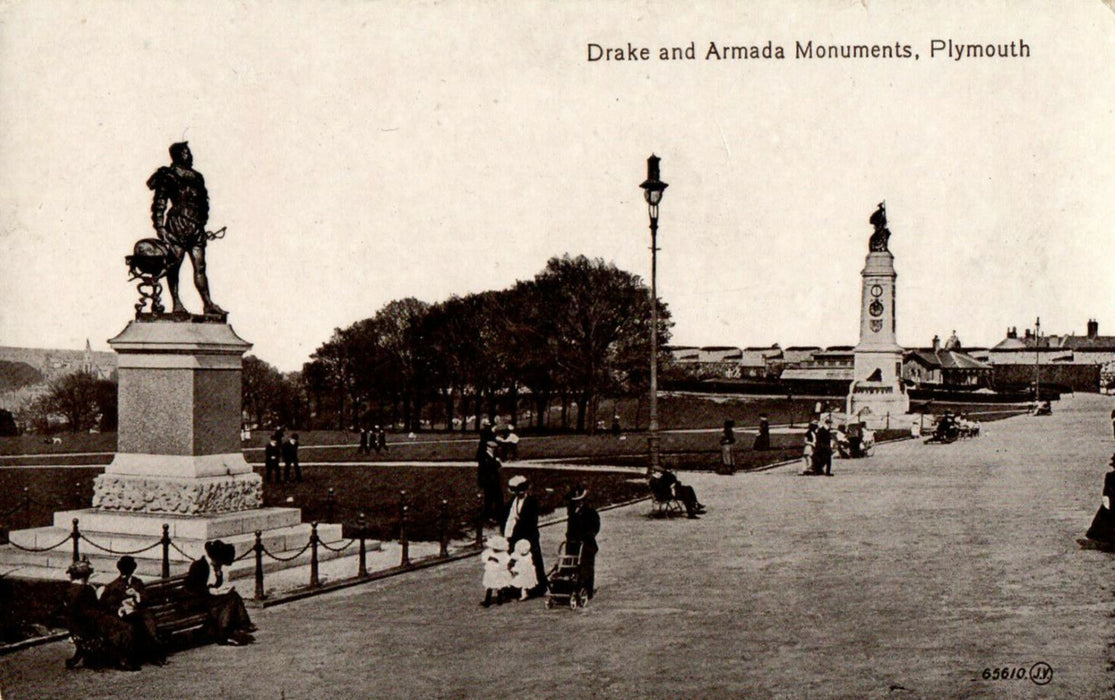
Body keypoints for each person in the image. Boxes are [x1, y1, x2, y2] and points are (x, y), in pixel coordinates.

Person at [146, 142, 224, 316]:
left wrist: (202, 225)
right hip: (177, 225)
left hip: (196, 227)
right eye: (185, 152)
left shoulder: (198, 177)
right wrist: (160, 227)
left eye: (189, 152)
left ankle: (207, 303)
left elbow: (203, 204)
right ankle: (177, 303)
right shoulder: (168, 175)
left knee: (200, 266)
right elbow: (159, 203)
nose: (190, 155)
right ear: (177, 155)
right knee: (174, 265)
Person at [64, 559, 140, 671]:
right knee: (125, 627)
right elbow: (94, 608)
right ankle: (122, 660)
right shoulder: (85, 589)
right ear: (85, 576)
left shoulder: (70, 589)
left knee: (119, 624)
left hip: (78, 625)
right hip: (91, 623)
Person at [184, 541, 255, 646]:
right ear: (214, 558)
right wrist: (211, 591)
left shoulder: (215, 567)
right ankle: (230, 629)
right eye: (220, 562)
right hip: (197, 600)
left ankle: (233, 628)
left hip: (208, 598)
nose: (220, 565)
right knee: (231, 600)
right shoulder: (199, 566)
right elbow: (193, 589)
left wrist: (219, 578)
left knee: (232, 596)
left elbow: (215, 584)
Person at [99, 556, 166, 666]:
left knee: (148, 622)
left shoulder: (137, 582)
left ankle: (155, 655)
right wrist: (119, 609)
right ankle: (140, 657)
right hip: (125, 615)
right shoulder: (113, 586)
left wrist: (136, 594)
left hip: (139, 611)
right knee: (135, 625)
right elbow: (105, 604)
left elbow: (146, 598)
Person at [503, 475, 547, 597]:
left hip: (529, 535)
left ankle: (538, 586)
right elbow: (510, 518)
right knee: (517, 561)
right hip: (516, 536)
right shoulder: (513, 502)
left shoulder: (532, 502)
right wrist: (508, 534)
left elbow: (530, 521)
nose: (519, 493)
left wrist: (521, 533)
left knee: (533, 561)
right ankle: (517, 587)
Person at [564, 485, 600, 599]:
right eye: (575, 502)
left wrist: (588, 535)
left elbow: (595, 526)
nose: (577, 503)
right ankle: (571, 586)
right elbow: (570, 527)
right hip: (573, 542)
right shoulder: (572, 511)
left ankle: (587, 590)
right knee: (570, 563)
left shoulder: (590, 512)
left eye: (579, 501)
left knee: (586, 566)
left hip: (587, 543)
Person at [1086, 453, 1115, 546]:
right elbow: (1106, 492)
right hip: (1112, 502)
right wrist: (1106, 505)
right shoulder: (1110, 476)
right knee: (1105, 517)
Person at [480, 535, 512, 607]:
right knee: (489, 587)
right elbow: (484, 558)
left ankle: (499, 600)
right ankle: (487, 601)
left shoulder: (504, 554)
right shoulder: (489, 552)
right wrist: (489, 559)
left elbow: (506, 562)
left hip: (498, 572)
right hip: (490, 572)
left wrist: (498, 561)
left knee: (499, 586)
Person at [478, 440, 504, 524]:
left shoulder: (492, 456)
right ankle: (489, 516)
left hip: (494, 481)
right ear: (488, 448)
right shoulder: (485, 457)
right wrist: (497, 462)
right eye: (493, 448)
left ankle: (496, 515)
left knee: (497, 499)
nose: (494, 449)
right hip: (489, 482)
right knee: (489, 500)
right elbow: (488, 468)